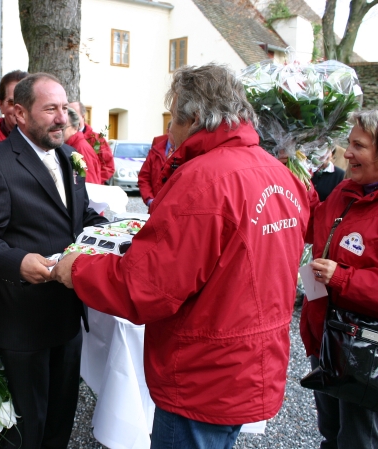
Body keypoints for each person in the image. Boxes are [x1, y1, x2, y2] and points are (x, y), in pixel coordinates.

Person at [51, 64, 311, 449]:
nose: (169, 132)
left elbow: (145, 288)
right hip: (252, 360)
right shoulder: (279, 173)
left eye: (173, 119)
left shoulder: (203, 179)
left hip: (203, 372)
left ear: (192, 119)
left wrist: (77, 269)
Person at [0, 73, 106, 448]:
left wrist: (114, 233)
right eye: (51, 109)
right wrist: (18, 261)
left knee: (61, 421)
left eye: (65, 108)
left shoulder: (71, 158)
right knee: (27, 428)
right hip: (21, 320)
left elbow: (80, 218)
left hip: (67, 316)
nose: (62, 118)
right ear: (20, 113)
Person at [300, 109, 378, 448]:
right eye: (348, 143)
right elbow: (307, 226)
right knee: (330, 434)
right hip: (326, 341)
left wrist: (342, 278)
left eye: (357, 145)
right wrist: (289, 173)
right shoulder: (344, 191)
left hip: (364, 352)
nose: (347, 153)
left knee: (358, 439)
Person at [68, 101, 115, 183]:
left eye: (74, 114)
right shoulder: (64, 138)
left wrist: (94, 181)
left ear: (83, 116)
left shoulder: (97, 139)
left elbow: (108, 167)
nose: (71, 117)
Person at [64, 106, 101, 184]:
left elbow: (88, 183)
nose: (59, 131)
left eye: (63, 127)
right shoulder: (71, 147)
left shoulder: (80, 149)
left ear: (75, 127)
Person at [138, 130, 170, 210]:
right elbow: (144, 178)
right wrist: (150, 200)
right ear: (168, 131)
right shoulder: (155, 151)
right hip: (154, 207)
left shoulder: (186, 151)